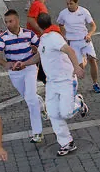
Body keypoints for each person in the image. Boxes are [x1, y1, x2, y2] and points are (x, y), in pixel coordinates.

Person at [34, 13, 89, 156]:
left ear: (38, 25)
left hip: (65, 80)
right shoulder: (44, 39)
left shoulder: (53, 36)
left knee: (66, 113)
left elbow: (69, 50)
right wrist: (24, 64)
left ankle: (79, 102)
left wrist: (77, 67)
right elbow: (39, 56)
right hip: (52, 82)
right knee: (53, 113)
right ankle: (67, 143)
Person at [0, 9, 45, 143]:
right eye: (6, 22)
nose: (8, 24)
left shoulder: (29, 34)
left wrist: (36, 49)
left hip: (30, 68)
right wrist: (6, 64)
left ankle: (37, 132)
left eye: (10, 21)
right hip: (15, 73)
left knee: (30, 99)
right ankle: (42, 105)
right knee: (29, 97)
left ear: (17, 20)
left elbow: (43, 46)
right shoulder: (3, 37)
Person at [57, 0, 100, 94]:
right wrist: (64, 36)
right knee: (79, 68)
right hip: (72, 42)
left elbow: (93, 26)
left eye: (71, 4)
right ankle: (73, 85)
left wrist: (89, 35)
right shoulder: (63, 13)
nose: (69, 6)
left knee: (93, 60)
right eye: (67, 4)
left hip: (85, 40)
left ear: (77, 3)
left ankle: (95, 83)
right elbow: (60, 24)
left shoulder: (84, 11)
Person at [27, 0, 49, 84]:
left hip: (39, 35)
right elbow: (31, 19)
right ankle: (40, 76)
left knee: (41, 55)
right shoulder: (37, 5)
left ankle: (41, 75)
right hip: (36, 37)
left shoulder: (38, 4)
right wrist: (41, 30)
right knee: (41, 55)